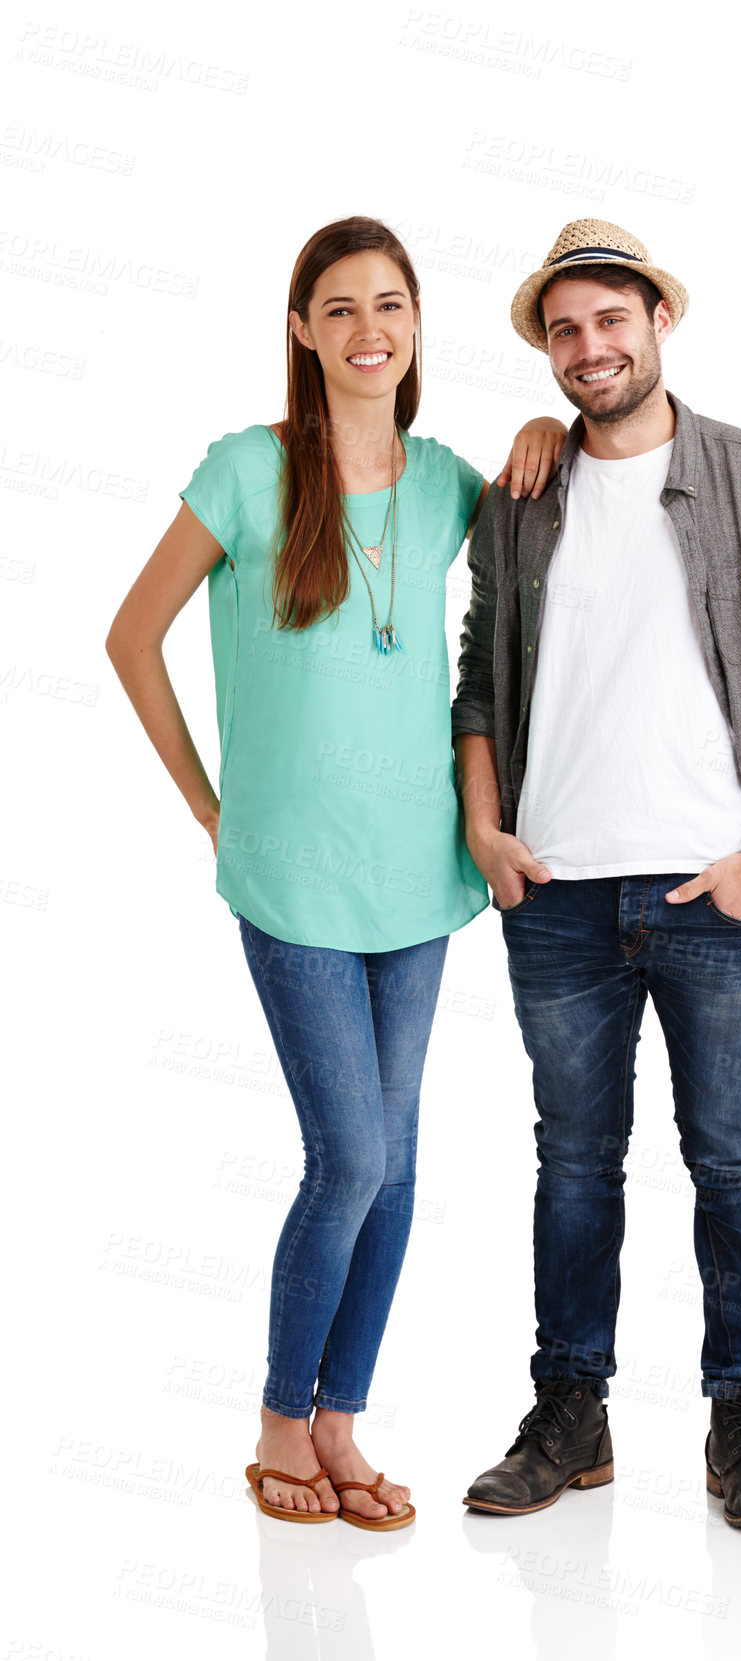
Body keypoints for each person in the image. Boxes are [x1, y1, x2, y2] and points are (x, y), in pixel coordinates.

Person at [106, 215, 565, 1530]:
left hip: (415, 874)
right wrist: (210, 805)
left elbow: (549, 547)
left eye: (393, 307)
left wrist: (539, 442)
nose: (370, 331)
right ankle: (273, 1421)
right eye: (342, 308)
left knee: (399, 1165)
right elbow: (130, 639)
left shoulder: (441, 484)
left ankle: (338, 1422)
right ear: (303, 329)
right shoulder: (247, 472)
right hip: (290, 876)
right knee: (348, 1156)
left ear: (417, 328)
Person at [452, 219, 741, 1531]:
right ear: (546, 350)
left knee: (731, 1162)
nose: (590, 348)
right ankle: (568, 1415)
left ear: (655, 324)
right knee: (572, 1166)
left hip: (710, 895)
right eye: (564, 331)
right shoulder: (519, 498)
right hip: (557, 896)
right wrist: (483, 830)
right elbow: (477, 681)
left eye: (609, 321)